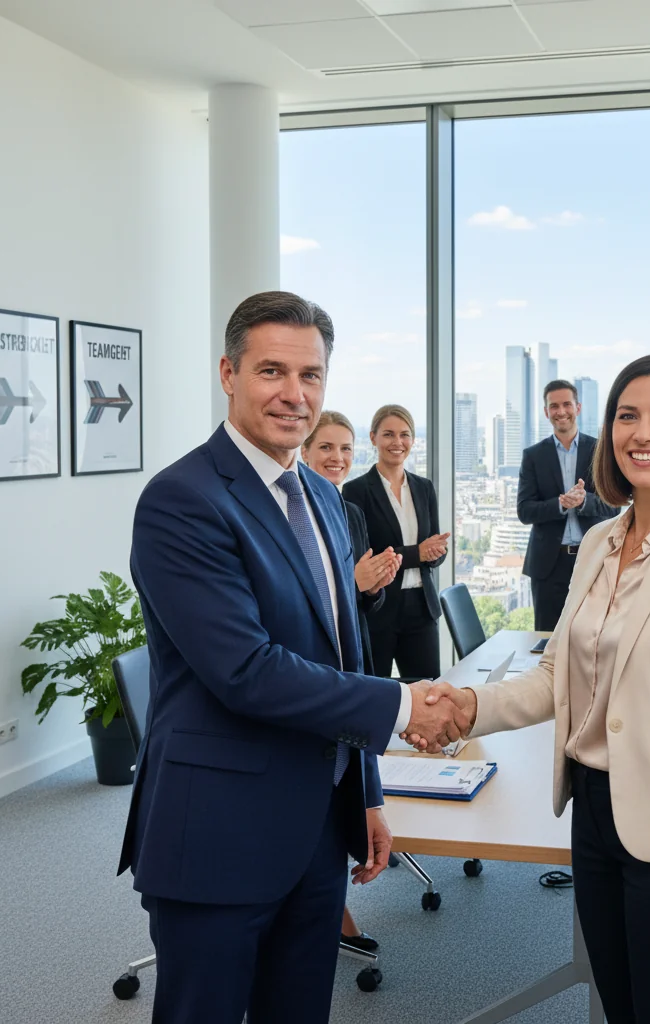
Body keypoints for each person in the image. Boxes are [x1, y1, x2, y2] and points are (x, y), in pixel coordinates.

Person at [119, 291, 468, 1024]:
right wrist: (403, 706)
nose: (294, 394)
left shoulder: (325, 499)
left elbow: (344, 653)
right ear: (228, 373)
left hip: (316, 826)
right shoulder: (181, 500)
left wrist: (367, 791)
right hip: (217, 828)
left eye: (310, 376)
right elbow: (245, 669)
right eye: (272, 370)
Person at [413, 355, 650, 1023]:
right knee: (622, 1010)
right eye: (627, 416)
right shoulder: (603, 541)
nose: (644, 433)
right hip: (596, 815)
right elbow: (559, 676)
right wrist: (468, 709)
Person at [301, 411, 401, 955]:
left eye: (344, 449)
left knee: (349, 780)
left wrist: (372, 585)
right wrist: (352, 582)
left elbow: (366, 602)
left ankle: (328, 907)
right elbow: (302, 600)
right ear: (306, 451)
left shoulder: (352, 512)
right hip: (317, 672)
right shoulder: (292, 507)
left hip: (352, 654)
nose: (337, 458)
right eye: (327, 449)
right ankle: (330, 915)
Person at [342, 404, 448, 681]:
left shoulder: (424, 488)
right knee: (375, 691)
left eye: (405, 435)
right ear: (374, 437)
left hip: (422, 609)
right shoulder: (355, 491)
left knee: (428, 691)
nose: (397, 442)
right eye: (388, 434)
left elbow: (432, 551)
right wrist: (418, 554)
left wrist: (436, 552)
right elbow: (364, 557)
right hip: (380, 609)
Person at [518, 380, 618, 631]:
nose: (561, 411)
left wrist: (585, 501)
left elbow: (614, 505)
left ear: (578, 407)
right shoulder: (533, 456)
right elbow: (525, 511)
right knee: (547, 638)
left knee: (593, 636)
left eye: (566, 404)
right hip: (548, 567)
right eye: (554, 406)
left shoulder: (600, 450)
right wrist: (560, 504)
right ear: (546, 412)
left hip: (592, 561)